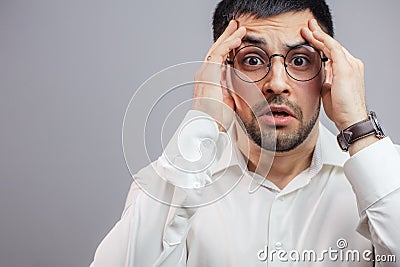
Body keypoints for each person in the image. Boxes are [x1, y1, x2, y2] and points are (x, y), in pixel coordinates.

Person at [90, 0, 400, 266]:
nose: (277, 83)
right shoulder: (173, 181)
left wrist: (359, 125)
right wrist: (201, 120)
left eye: (301, 60)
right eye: (252, 60)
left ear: (329, 71)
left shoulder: (386, 178)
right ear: (223, 72)